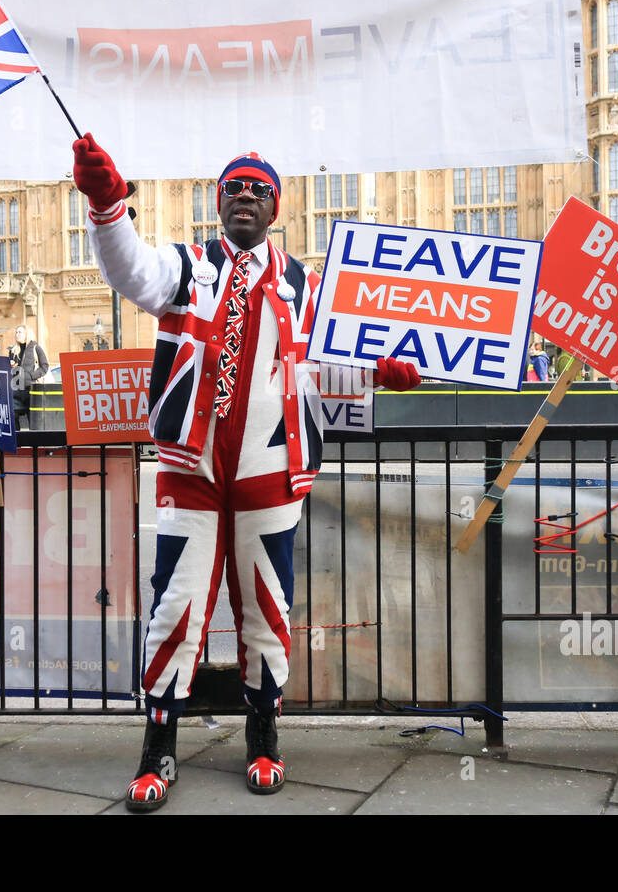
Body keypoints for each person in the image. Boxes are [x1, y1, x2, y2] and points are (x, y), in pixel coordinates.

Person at [73, 135, 420, 812]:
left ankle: (263, 735)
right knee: (176, 608)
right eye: (234, 188)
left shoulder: (305, 283)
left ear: (274, 207)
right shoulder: (188, 267)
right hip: (191, 467)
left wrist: (383, 367)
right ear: (218, 201)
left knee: (267, 609)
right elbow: (130, 272)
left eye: (258, 190)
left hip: (270, 468)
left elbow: (338, 351)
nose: (245, 198)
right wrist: (108, 207)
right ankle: (158, 746)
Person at [9, 324, 48, 429]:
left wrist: (31, 376)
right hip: (16, 390)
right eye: (16, 332)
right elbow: (10, 370)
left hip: (30, 390)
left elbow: (44, 366)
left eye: (20, 332)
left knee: (33, 421)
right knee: (12, 415)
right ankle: (17, 443)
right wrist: (11, 366)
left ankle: (34, 444)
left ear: (27, 334)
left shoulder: (35, 347)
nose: (17, 334)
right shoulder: (13, 350)